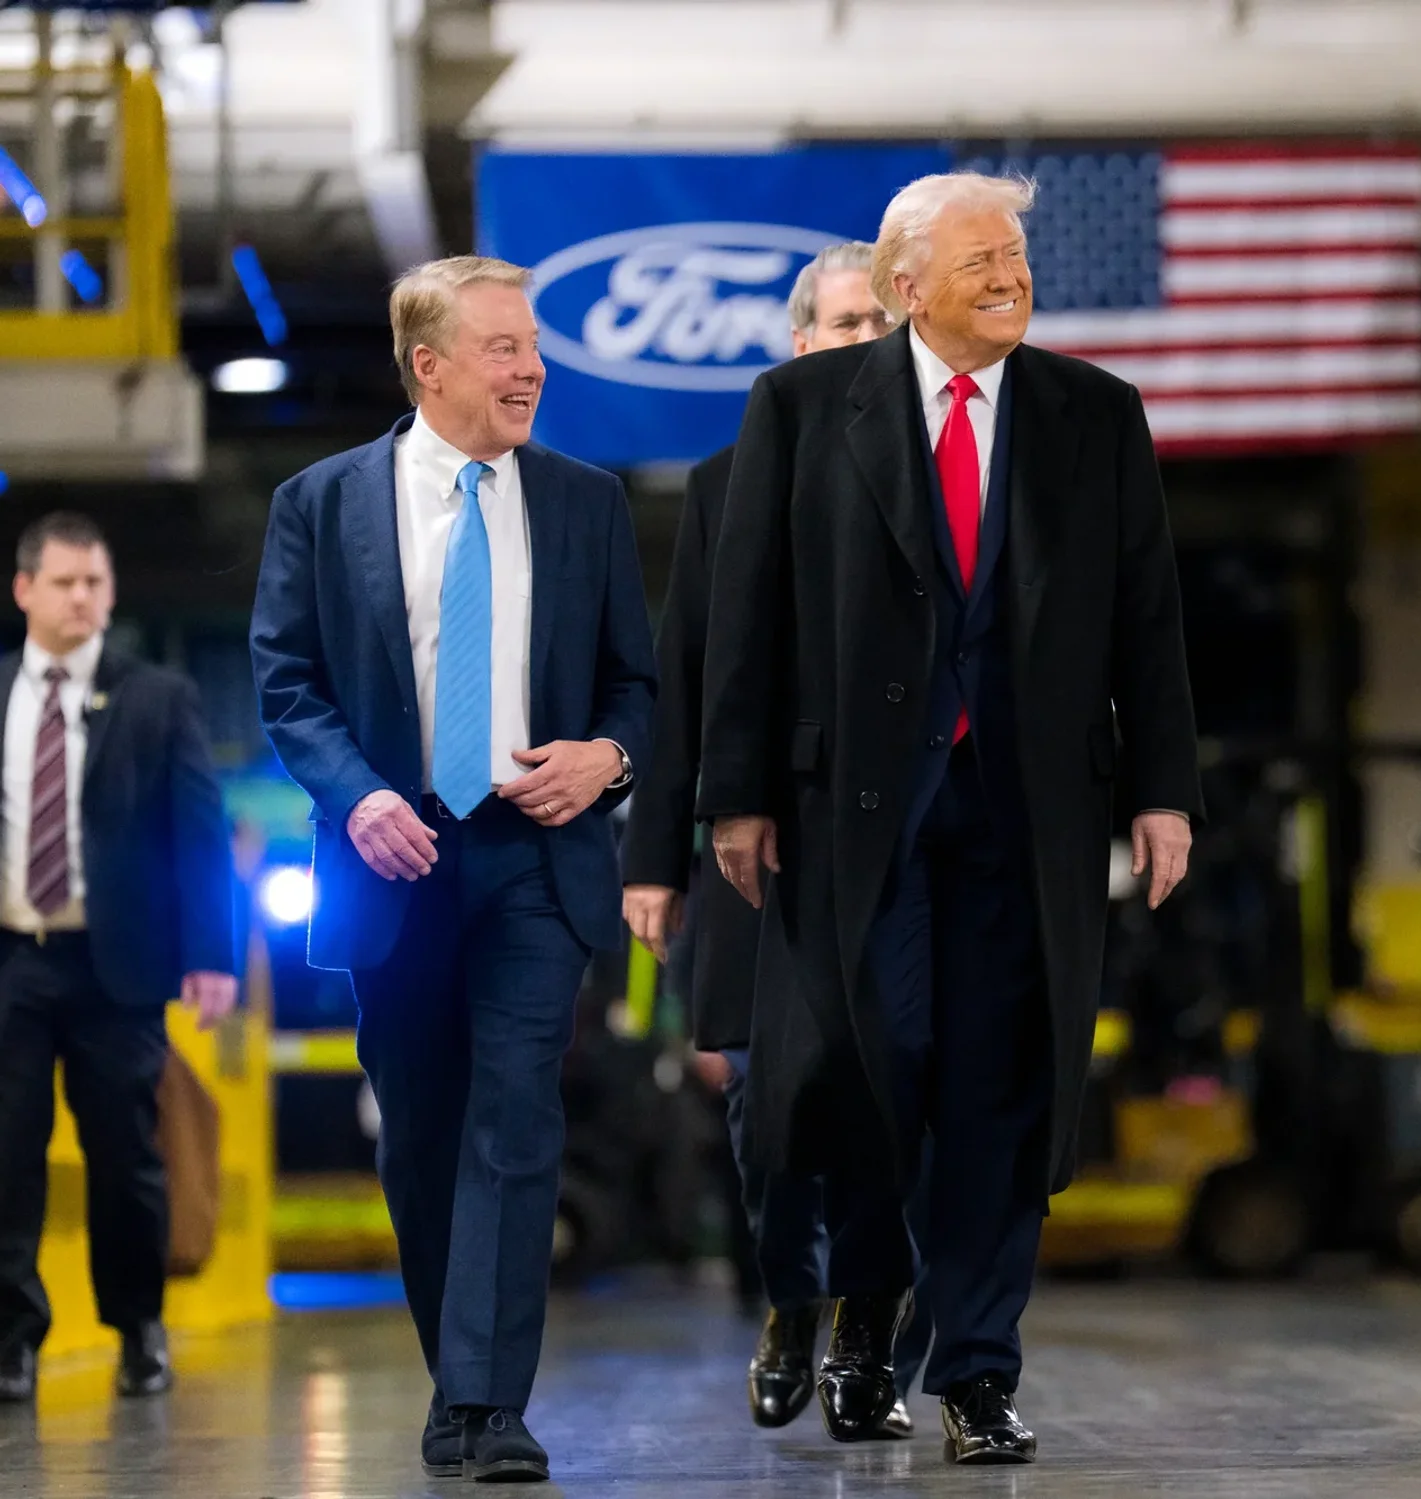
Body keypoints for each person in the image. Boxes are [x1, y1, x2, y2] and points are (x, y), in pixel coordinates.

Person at [698, 171, 1202, 1465]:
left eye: (1016, 255)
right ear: (907, 283)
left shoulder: (1096, 414)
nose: (1007, 276)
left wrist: (1161, 788)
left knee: (1006, 1085)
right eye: (979, 258)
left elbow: (1147, 620)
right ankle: (866, 1316)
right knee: (875, 1070)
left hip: (1029, 811)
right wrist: (737, 795)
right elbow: (744, 616)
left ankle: (978, 1370)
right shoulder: (801, 410)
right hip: (850, 815)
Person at [250, 256, 655, 1483]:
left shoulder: (585, 501)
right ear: (428, 366)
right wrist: (359, 795)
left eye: (531, 346)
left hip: (536, 857)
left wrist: (608, 755)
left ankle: (487, 1404)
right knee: (422, 1132)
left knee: (514, 1113)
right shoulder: (321, 503)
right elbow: (287, 680)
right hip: (395, 856)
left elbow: (637, 682)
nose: (530, 368)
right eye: (502, 348)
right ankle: (459, 1383)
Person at [619, 243, 927, 1437]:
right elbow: (687, 676)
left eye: (875, 322)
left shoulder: (943, 483)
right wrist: (654, 855)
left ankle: (862, 1327)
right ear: (799, 342)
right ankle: (790, 1298)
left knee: (883, 1099)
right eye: (839, 322)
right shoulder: (726, 479)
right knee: (765, 1109)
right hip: (760, 841)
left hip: (897, 850)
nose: (857, 340)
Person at [0, 512, 237, 1406]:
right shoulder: (2, 696)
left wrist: (209, 952)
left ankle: (139, 1330)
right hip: (13, 961)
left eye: (95, 582)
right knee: (8, 1155)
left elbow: (200, 835)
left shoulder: (156, 696)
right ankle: (13, 1341)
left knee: (125, 1156)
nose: (83, 597)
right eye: (64, 582)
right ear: (25, 589)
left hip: (119, 966)